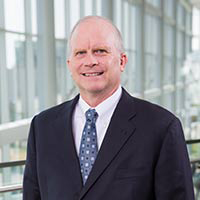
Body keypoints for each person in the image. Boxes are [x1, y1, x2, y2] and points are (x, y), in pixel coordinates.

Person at [23, 16, 195, 200]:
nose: (90, 61)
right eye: (80, 53)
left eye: (100, 51)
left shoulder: (161, 128)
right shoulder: (42, 127)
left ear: (122, 61)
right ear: (70, 65)